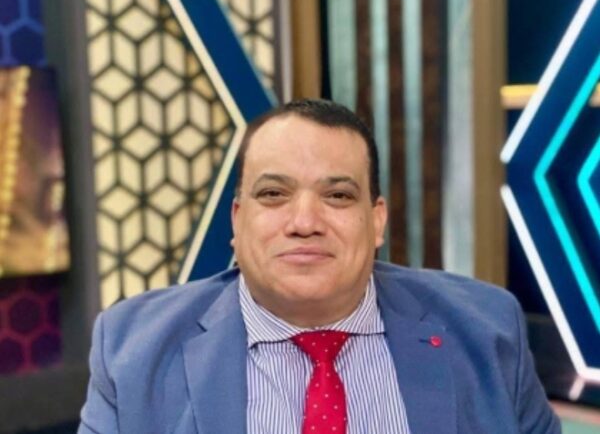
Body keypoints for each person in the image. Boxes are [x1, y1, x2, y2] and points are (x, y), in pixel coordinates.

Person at [78, 99, 561, 433]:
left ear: (376, 221)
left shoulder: (489, 330)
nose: (305, 222)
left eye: (338, 196)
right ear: (238, 220)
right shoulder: (130, 350)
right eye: (274, 194)